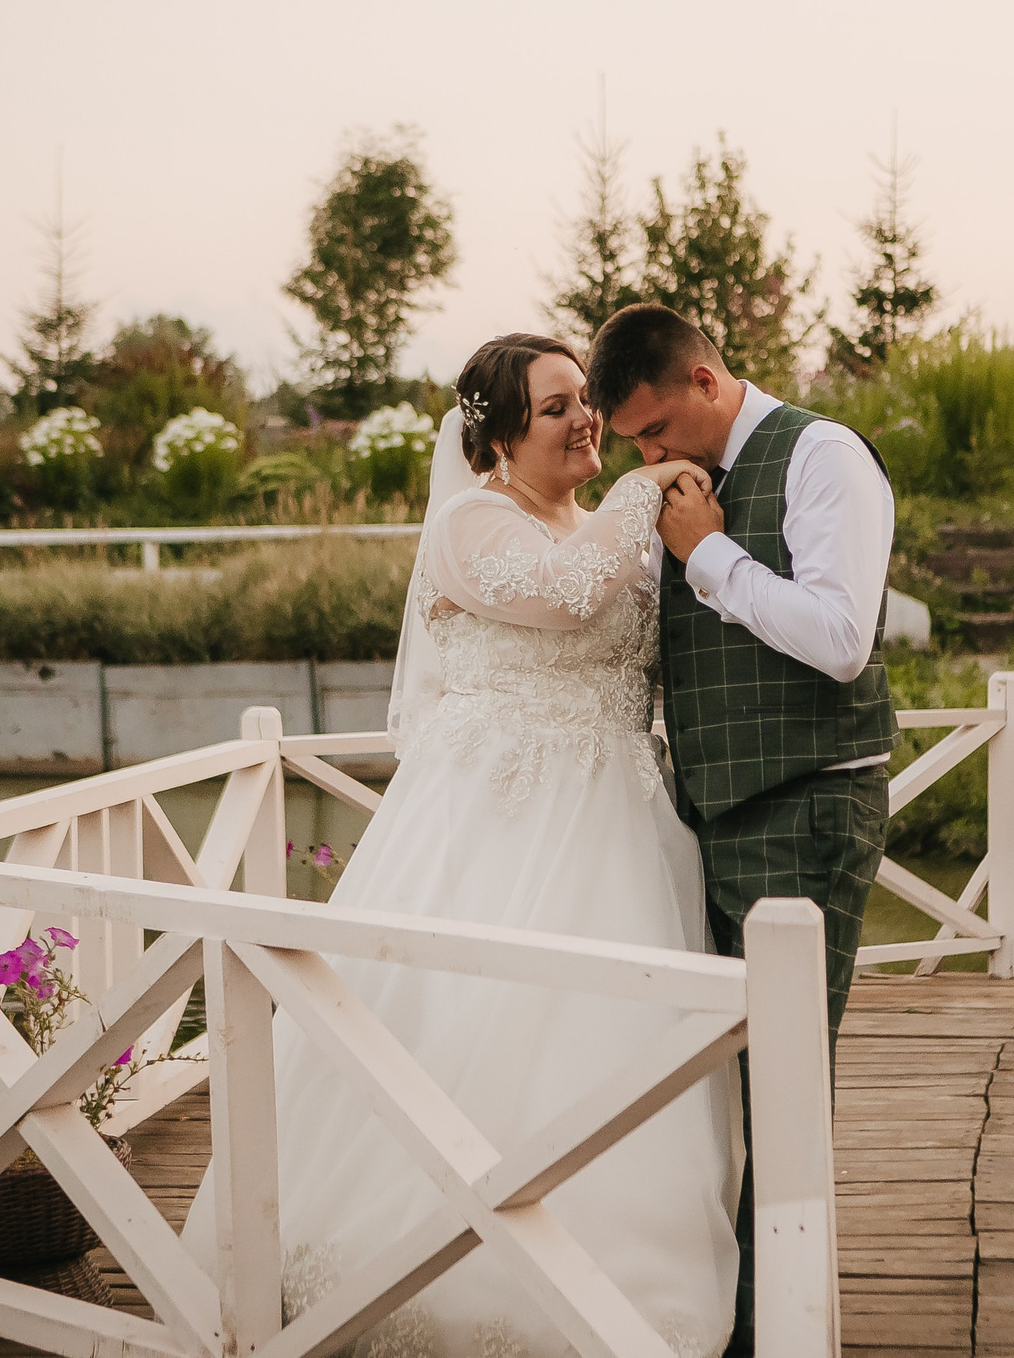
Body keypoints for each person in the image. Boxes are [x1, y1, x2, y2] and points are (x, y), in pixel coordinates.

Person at [270, 333, 739, 1358]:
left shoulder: (610, 521)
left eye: (585, 401)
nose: (586, 420)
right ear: (496, 434)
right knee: (461, 1040)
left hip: (618, 821)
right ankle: (419, 1278)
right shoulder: (468, 523)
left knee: (611, 1051)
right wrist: (645, 489)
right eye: (557, 406)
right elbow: (564, 593)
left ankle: (609, 1290)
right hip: (492, 826)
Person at [588, 303, 898, 1358]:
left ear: (706, 384)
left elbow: (842, 638)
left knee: (785, 1085)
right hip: (710, 815)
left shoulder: (822, 458)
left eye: (654, 429)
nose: (646, 454)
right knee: (720, 1088)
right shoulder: (678, 486)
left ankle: (778, 1334)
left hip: (808, 805)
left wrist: (710, 557)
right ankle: (732, 1316)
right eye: (633, 439)